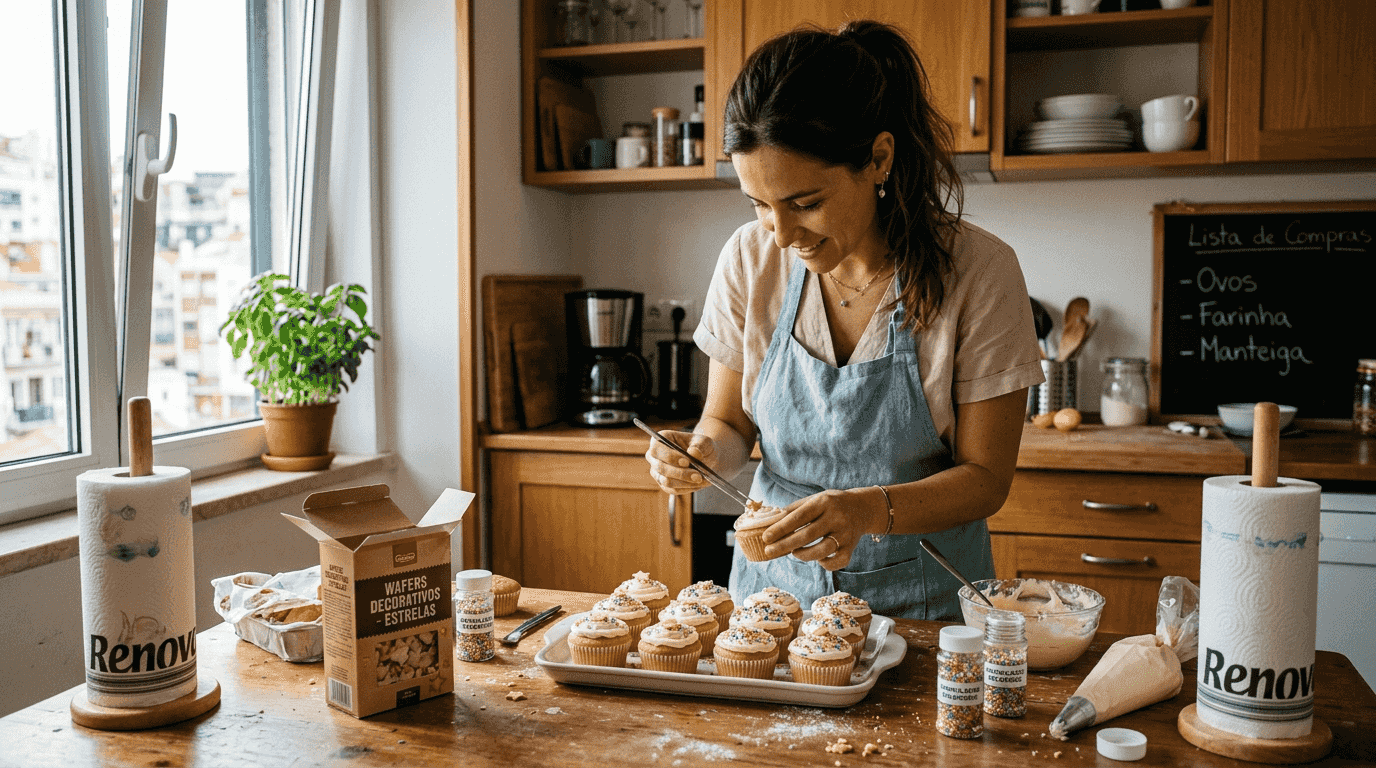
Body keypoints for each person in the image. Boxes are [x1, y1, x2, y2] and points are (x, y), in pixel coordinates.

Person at [644, 20, 1043, 621]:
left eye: (805, 204)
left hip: (925, 612)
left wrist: (863, 510)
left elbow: (986, 479)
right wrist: (698, 453)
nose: (780, 234)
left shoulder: (980, 272)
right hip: (770, 609)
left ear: (878, 159)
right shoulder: (750, 259)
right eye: (759, 205)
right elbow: (729, 425)